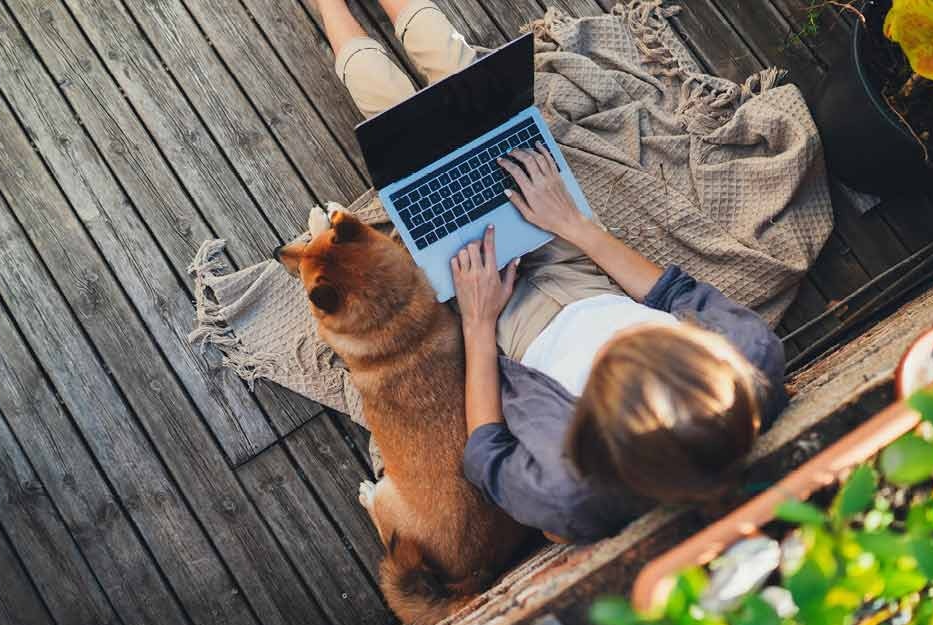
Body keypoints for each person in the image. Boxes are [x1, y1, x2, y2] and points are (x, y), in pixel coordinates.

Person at [315, 0, 787, 542]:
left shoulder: (570, 498)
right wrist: (573, 224)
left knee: (403, 128)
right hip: (584, 264)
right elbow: (670, 291)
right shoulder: (750, 360)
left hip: (502, 321)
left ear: (598, 435)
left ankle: (332, 11)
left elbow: (484, 452)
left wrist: (477, 320)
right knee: (478, 95)